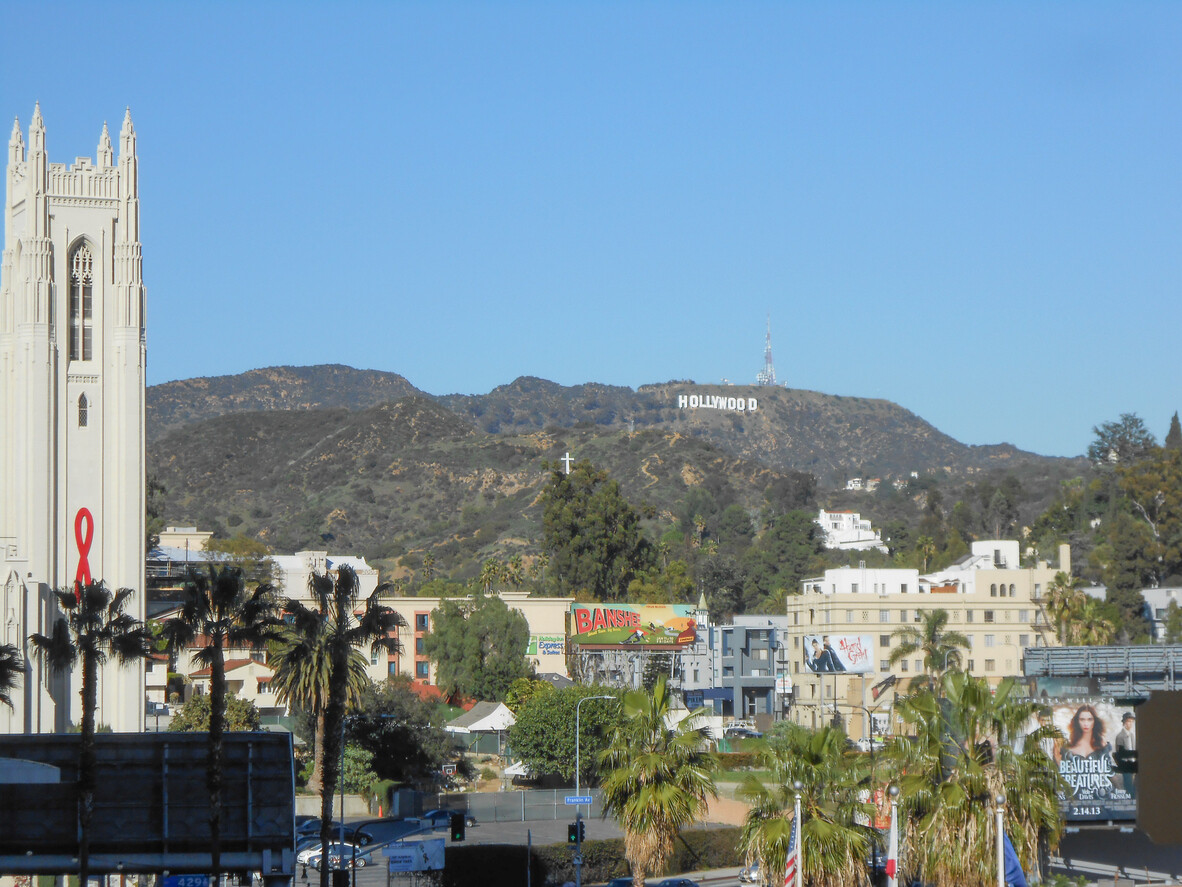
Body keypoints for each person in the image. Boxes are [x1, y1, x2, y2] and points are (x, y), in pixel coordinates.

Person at [1114, 711, 1136, 797]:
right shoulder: (1120, 736)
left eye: (1131, 722)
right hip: (1126, 766)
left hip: (1134, 765)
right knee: (1129, 787)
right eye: (1128, 721)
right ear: (1124, 722)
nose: (1130, 724)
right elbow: (1119, 754)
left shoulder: (1132, 735)